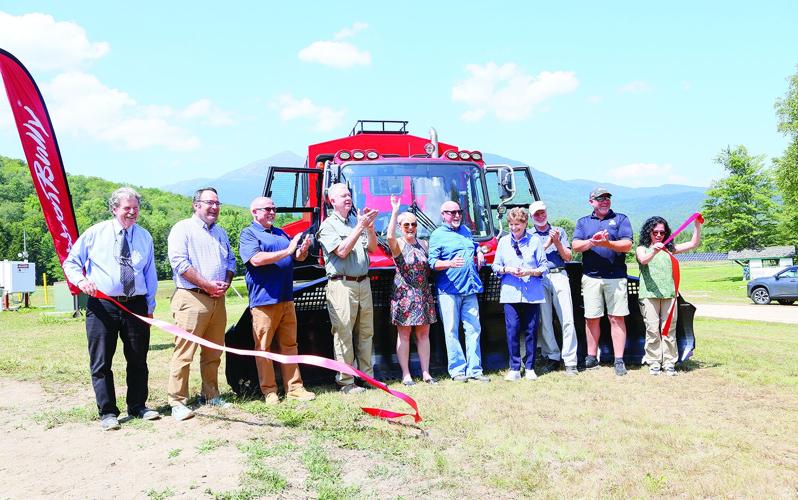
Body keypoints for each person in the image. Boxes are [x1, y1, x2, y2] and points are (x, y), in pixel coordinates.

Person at [63, 187, 160, 431]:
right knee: (101, 361)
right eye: (127, 208)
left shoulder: (144, 236)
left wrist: (150, 306)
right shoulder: (95, 233)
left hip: (136, 305)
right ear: (114, 209)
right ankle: (107, 412)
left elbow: (150, 273)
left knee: (138, 359)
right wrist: (81, 281)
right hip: (103, 305)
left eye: (136, 208)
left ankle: (138, 406)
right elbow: (71, 262)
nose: (132, 212)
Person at [167, 187, 236, 421]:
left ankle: (210, 394)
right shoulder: (182, 229)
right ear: (196, 205)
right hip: (192, 297)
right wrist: (207, 285)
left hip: (218, 299)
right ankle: (177, 401)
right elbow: (179, 263)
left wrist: (226, 282)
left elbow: (231, 260)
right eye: (209, 203)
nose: (214, 207)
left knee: (213, 352)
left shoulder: (220, 232)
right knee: (184, 352)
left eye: (217, 203)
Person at [239, 196, 317, 403]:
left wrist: (302, 249)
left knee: (290, 345)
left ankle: (295, 388)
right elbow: (256, 259)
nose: (272, 212)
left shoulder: (281, 233)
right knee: (263, 348)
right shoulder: (249, 233)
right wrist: (288, 250)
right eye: (267, 209)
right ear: (254, 212)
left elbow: (297, 257)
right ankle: (269, 391)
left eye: (274, 208)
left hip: (286, 298)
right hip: (264, 301)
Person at [317, 183, 378, 394]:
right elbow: (342, 252)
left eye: (349, 195)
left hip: (363, 283)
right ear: (332, 201)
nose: (348, 198)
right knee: (343, 333)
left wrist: (370, 228)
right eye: (343, 195)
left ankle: (367, 377)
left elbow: (372, 247)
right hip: (342, 285)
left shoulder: (355, 221)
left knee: (366, 332)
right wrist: (360, 227)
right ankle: (346, 381)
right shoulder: (328, 226)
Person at [572, 187, 634, 376]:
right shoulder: (583, 222)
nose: (605, 201)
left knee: (617, 318)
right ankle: (591, 357)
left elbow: (627, 245)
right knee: (592, 318)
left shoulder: (621, 219)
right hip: (591, 277)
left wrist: (608, 244)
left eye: (607, 198)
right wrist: (592, 241)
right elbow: (575, 246)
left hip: (616, 276)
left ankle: (619, 360)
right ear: (591, 202)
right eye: (600, 198)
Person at [428, 201, 489, 383]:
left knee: (474, 330)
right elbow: (432, 263)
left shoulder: (466, 231)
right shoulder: (437, 235)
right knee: (451, 331)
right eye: (452, 212)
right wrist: (450, 263)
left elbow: (473, 245)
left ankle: (475, 370)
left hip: (470, 289)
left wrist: (479, 251)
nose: (456, 215)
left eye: (459, 212)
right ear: (443, 215)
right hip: (449, 291)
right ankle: (457, 371)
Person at [636, 216, 702, 376]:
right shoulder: (642, 248)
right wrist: (654, 250)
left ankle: (669, 363)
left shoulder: (669, 249)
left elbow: (693, 244)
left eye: (662, 232)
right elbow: (643, 260)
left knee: (669, 330)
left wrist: (697, 225)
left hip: (669, 295)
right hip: (649, 295)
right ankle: (654, 362)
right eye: (655, 232)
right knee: (652, 330)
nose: (659, 235)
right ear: (648, 232)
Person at [386, 194, 438, 386]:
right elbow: (389, 236)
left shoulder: (424, 244)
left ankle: (426, 373)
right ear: (400, 226)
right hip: (404, 296)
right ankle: (406, 374)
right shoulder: (398, 244)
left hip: (423, 295)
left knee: (424, 335)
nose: (410, 228)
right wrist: (395, 211)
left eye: (413, 224)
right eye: (406, 224)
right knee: (404, 335)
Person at [492, 208, 548, 381]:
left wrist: (529, 271)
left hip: (532, 293)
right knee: (512, 329)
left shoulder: (535, 241)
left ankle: (530, 367)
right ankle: (514, 367)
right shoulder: (503, 242)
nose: (514, 227)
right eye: (511, 224)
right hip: (510, 293)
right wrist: (506, 269)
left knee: (531, 330)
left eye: (517, 224)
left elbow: (544, 267)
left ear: (525, 224)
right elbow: (495, 266)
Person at [529, 201, 579, 376]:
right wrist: (548, 243)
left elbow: (567, 256)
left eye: (542, 212)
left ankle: (570, 360)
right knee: (545, 320)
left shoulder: (559, 231)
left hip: (559, 274)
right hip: (540, 277)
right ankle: (552, 356)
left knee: (567, 318)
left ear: (547, 213)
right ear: (532, 217)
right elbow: (531, 259)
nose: (540, 216)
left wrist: (556, 242)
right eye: (537, 214)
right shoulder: (529, 235)